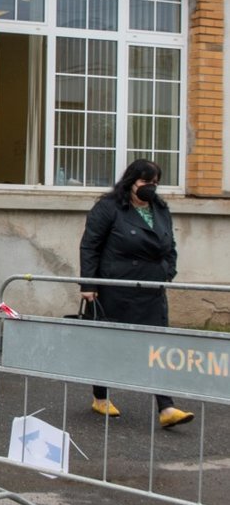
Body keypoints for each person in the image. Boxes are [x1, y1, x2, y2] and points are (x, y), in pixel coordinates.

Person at [79, 158, 194, 429]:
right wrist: (88, 285)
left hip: (152, 289)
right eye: (145, 182)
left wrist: (168, 272)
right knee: (110, 345)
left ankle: (166, 407)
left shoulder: (160, 208)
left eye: (155, 183)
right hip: (117, 288)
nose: (150, 188)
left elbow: (170, 245)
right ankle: (101, 396)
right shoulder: (108, 208)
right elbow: (90, 246)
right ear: (131, 182)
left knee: (158, 348)